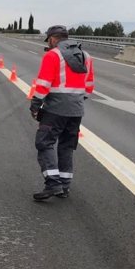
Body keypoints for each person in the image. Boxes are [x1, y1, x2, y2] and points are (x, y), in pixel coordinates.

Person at [29, 25, 95, 200]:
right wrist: (76, 101)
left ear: (52, 39)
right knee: (66, 145)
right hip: (76, 110)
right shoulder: (85, 56)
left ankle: (52, 183)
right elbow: (89, 87)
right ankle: (64, 186)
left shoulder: (53, 55)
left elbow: (43, 84)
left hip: (56, 109)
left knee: (44, 142)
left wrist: (35, 105)